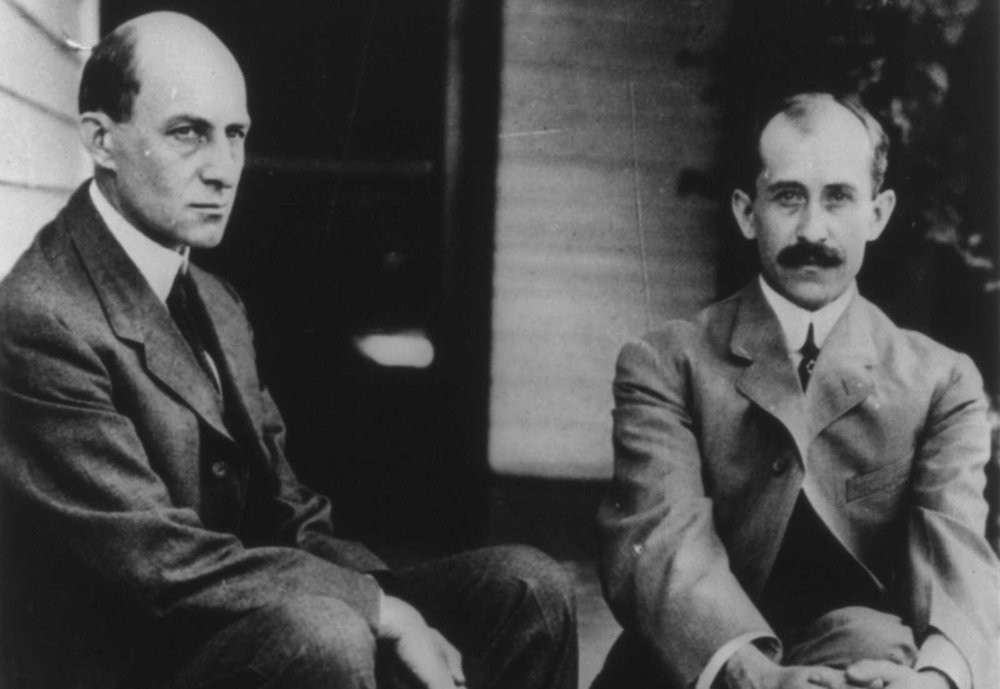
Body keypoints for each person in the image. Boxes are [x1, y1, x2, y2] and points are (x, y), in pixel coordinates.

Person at [0, 12, 576, 689]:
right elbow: (155, 561)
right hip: (132, 660)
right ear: (102, 139)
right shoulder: (42, 317)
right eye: (188, 132)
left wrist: (391, 602)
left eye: (235, 134)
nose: (223, 170)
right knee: (325, 635)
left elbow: (288, 510)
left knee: (527, 589)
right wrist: (377, 611)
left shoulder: (214, 299)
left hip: (237, 617)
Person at [592, 93, 999, 689]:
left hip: (860, 666)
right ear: (747, 212)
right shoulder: (666, 362)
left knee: (879, 645)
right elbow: (661, 542)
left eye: (838, 197)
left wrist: (937, 681)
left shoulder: (941, 380)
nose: (812, 229)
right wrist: (753, 675)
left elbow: (956, 556)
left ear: (878, 214)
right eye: (788, 197)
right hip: (691, 668)